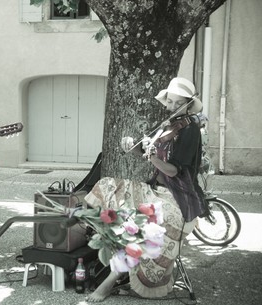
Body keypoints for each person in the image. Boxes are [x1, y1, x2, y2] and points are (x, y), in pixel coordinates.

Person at [86, 77, 207, 301]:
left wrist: (151, 156)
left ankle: (110, 280)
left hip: (177, 198)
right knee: (107, 186)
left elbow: (172, 171)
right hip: (157, 191)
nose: (170, 107)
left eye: (176, 102)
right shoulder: (168, 127)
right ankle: (114, 245)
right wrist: (133, 146)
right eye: (169, 102)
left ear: (188, 104)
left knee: (141, 230)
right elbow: (146, 154)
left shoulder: (190, 130)